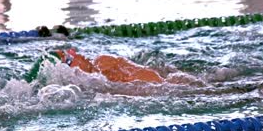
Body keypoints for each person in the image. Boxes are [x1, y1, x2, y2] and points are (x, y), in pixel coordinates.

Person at [23, 47, 163, 84]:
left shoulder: (101, 62)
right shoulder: (99, 74)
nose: (76, 54)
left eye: (71, 52)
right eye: (70, 57)